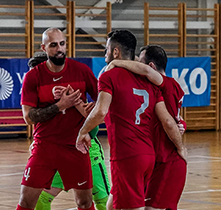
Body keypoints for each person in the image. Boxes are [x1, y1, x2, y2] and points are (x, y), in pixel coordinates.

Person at [76, 30, 187, 210]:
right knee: (114, 204)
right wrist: (180, 131)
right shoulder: (150, 82)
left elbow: (101, 111)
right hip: (149, 155)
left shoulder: (109, 76)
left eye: (107, 50)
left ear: (116, 52)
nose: (105, 54)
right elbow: (168, 118)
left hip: (128, 155)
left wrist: (83, 131)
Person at [17, 27, 98, 210]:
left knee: (84, 202)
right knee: (26, 201)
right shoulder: (33, 77)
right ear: (44, 48)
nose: (59, 49)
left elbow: (103, 100)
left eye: (62, 44)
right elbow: (28, 117)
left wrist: (91, 113)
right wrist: (60, 105)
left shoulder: (81, 71)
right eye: (53, 45)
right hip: (44, 147)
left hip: (75, 147)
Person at [105, 45, 187, 210]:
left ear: (150, 67)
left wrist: (181, 147)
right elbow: (177, 118)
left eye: (139, 64)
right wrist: (182, 124)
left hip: (167, 160)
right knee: (112, 205)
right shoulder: (153, 88)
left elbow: (170, 122)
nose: (136, 67)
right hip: (148, 158)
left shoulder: (166, 84)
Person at [27, 52, 111, 210]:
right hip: (57, 153)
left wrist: (75, 105)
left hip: (87, 152)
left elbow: (93, 130)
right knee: (41, 198)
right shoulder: (37, 98)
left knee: (102, 202)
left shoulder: (72, 92)